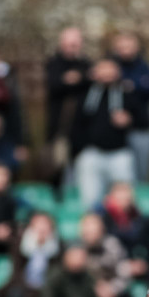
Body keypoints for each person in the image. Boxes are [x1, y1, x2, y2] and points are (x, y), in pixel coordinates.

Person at [70, 58, 137, 209]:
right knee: (90, 201)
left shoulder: (127, 92)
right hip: (91, 153)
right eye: (103, 68)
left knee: (124, 202)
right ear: (95, 72)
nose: (107, 73)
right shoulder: (86, 93)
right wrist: (77, 151)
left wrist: (128, 120)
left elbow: (142, 119)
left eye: (110, 68)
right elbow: (76, 125)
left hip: (119, 153)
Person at [111, 32, 149, 183]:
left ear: (137, 47)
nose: (126, 50)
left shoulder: (147, 68)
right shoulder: (109, 67)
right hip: (113, 133)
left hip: (141, 130)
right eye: (122, 47)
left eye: (129, 46)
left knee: (141, 176)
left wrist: (130, 85)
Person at [44, 27, 91, 183]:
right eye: (70, 43)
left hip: (83, 129)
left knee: (80, 171)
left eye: (76, 43)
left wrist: (76, 79)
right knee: (56, 167)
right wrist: (74, 80)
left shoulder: (86, 63)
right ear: (62, 43)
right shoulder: (53, 63)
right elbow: (55, 85)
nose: (73, 47)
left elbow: (89, 81)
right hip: (60, 127)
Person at [0, 212, 60, 297]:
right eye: (38, 224)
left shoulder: (58, 248)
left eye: (45, 224)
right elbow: (16, 273)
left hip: (46, 289)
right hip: (23, 287)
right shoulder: (19, 244)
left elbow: (56, 276)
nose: (41, 228)